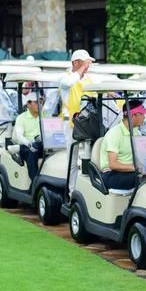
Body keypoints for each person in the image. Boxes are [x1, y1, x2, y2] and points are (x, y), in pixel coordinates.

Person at [59, 49, 95, 195]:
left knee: (91, 156)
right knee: (72, 160)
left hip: (87, 123)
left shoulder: (88, 79)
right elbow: (69, 83)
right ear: (76, 63)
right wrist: (80, 69)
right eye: (86, 63)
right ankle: (71, 191)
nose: (88, 66)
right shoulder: (65, 78)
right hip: (70, 124)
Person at [100, 100, 146, 190]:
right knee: (143, 179)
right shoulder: (114, 134)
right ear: (132, 115)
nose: (144, 117)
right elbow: (113, 164)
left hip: (129, 171)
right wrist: (136, 168)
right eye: (142, 114)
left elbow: (142, 154)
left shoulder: (136, 132)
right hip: (111, 174)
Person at [13, 92, 43, 181]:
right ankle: (35, 181)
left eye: (40, 102)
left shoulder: (44, 116)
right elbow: (19, 136)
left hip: (42, 145)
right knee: (31, 152)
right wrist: (30, 145)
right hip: (27, 146)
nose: (39, 104)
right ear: (28, 104)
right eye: (36, 102)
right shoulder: (21, 118)